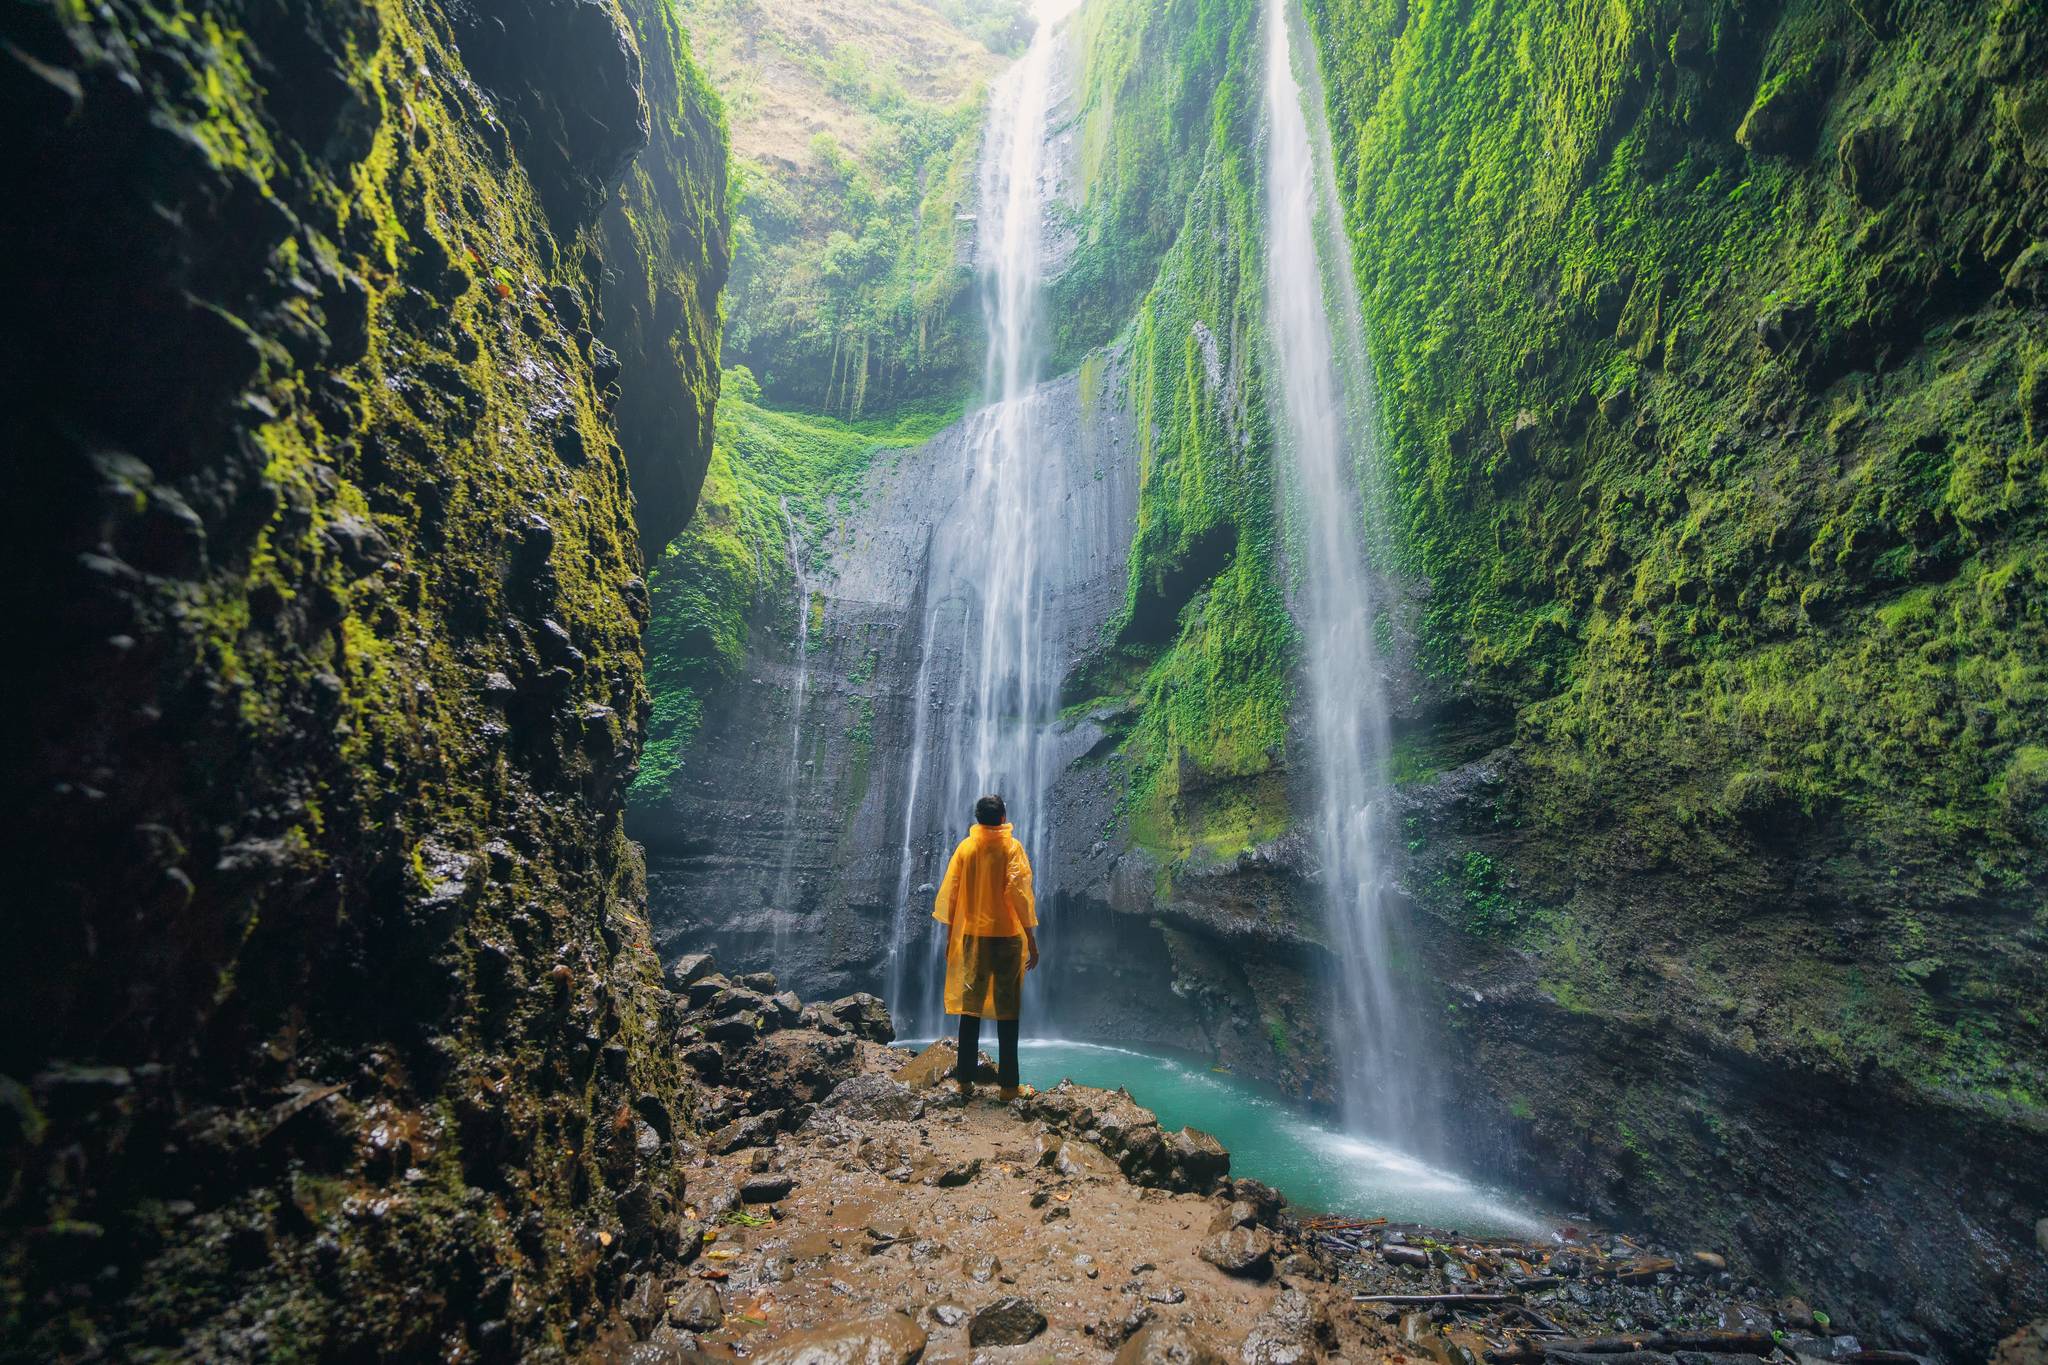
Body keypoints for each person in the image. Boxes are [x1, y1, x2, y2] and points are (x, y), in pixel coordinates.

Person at [932, 793, 1039, 1101]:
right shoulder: (1011, 848)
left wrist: (951, 936)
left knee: (970, 1010)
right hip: (1006, 938)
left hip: (973, 939)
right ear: (1003, 817)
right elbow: (1020, 895)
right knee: (1009, 1013)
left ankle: (964, 1082)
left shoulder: (966, 849)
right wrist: (1031, 939)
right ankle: (1008, 1087)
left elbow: (951, 897)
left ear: (978, 819)